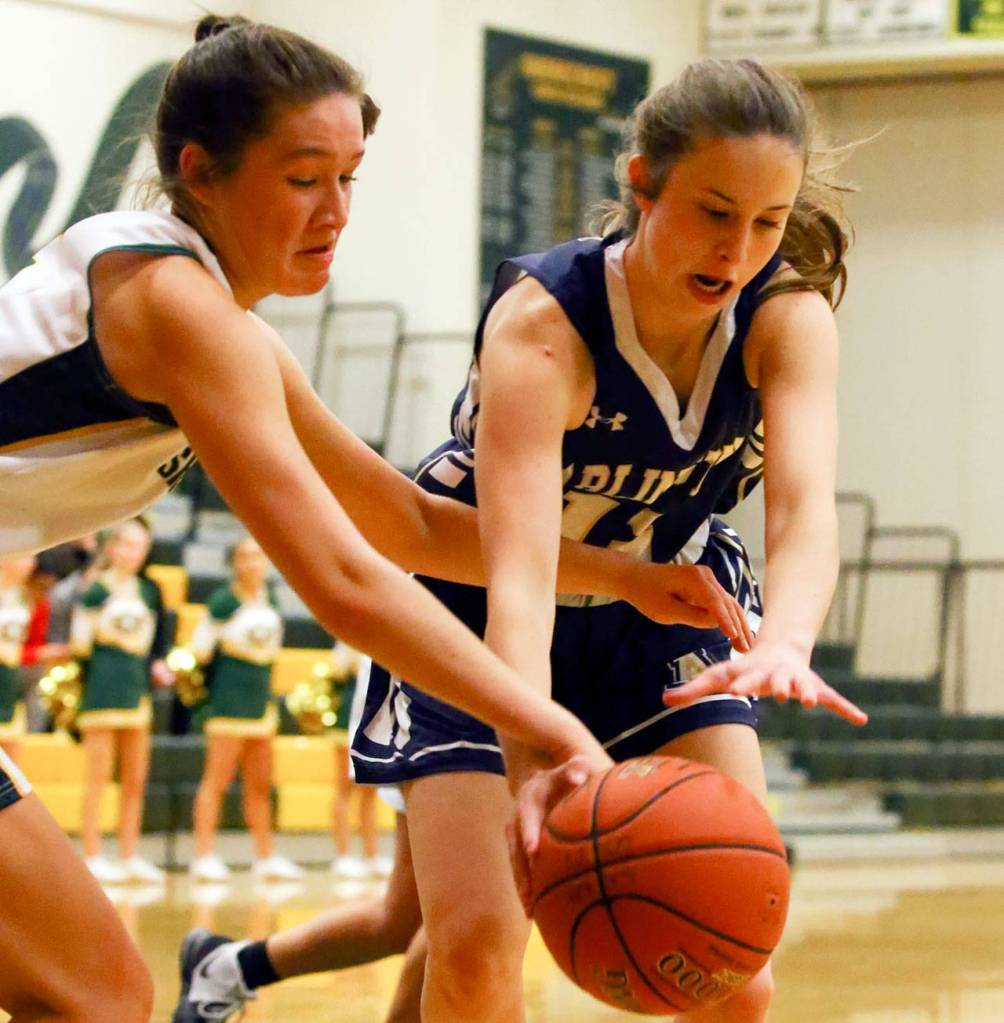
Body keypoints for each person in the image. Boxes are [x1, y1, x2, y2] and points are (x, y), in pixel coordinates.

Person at [0, 16, 753, 1021]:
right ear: (200, 171)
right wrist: (546, 722)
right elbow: (347, 583)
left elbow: (401, 519)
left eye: (350, 177)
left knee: (93, 994)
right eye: (305, 177)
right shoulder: (175, 306)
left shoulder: (218, 322)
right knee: (94, 996)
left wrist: (619, 576)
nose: (336, 210)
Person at [174, 54, 869, 1023]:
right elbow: (518, 579)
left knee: (732, 971)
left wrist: (787, 636)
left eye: (765, 221)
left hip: (660, 602)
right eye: (713, 212)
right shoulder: (544, 328)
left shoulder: (783, 319)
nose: (738, 249)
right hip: (481, 602)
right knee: (473, 943)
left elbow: (800, 512)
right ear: (639, 183)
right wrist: (535, 759)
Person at [188, 536, 302, 882]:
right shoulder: (222, 602)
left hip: (260, 704)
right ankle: (204, 855)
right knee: (217, 780)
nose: (253, 563)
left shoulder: (271, 599)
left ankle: (265, 857)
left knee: (260, 784)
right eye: (245, 557)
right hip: (227, 704)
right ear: (234, 564)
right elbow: (199, 650)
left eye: (258, 556)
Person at [72, 517, 172, 884]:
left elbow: (158, 642)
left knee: (135, 779)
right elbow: (80, 645)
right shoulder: (95, 590)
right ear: (112, 547)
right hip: (102, 687)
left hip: (136, 689)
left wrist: (158, 666)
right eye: (127, 544)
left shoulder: (150, 591)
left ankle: (129, 855)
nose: (133, 552)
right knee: (97, 777)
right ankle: (93, 854)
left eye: (140, 545)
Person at [329, 640, 392, 879]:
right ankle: (343, 855)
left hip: (373, 723)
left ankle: (371, 854)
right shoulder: (350, 639)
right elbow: (336, 669)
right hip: (346, 721)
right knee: (344, 788)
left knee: (370, 790)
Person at [0, 556, 36, 763]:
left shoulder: (24, 596)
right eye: (25, 557)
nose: (31, 563)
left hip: (11, 684)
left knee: (13, 770)